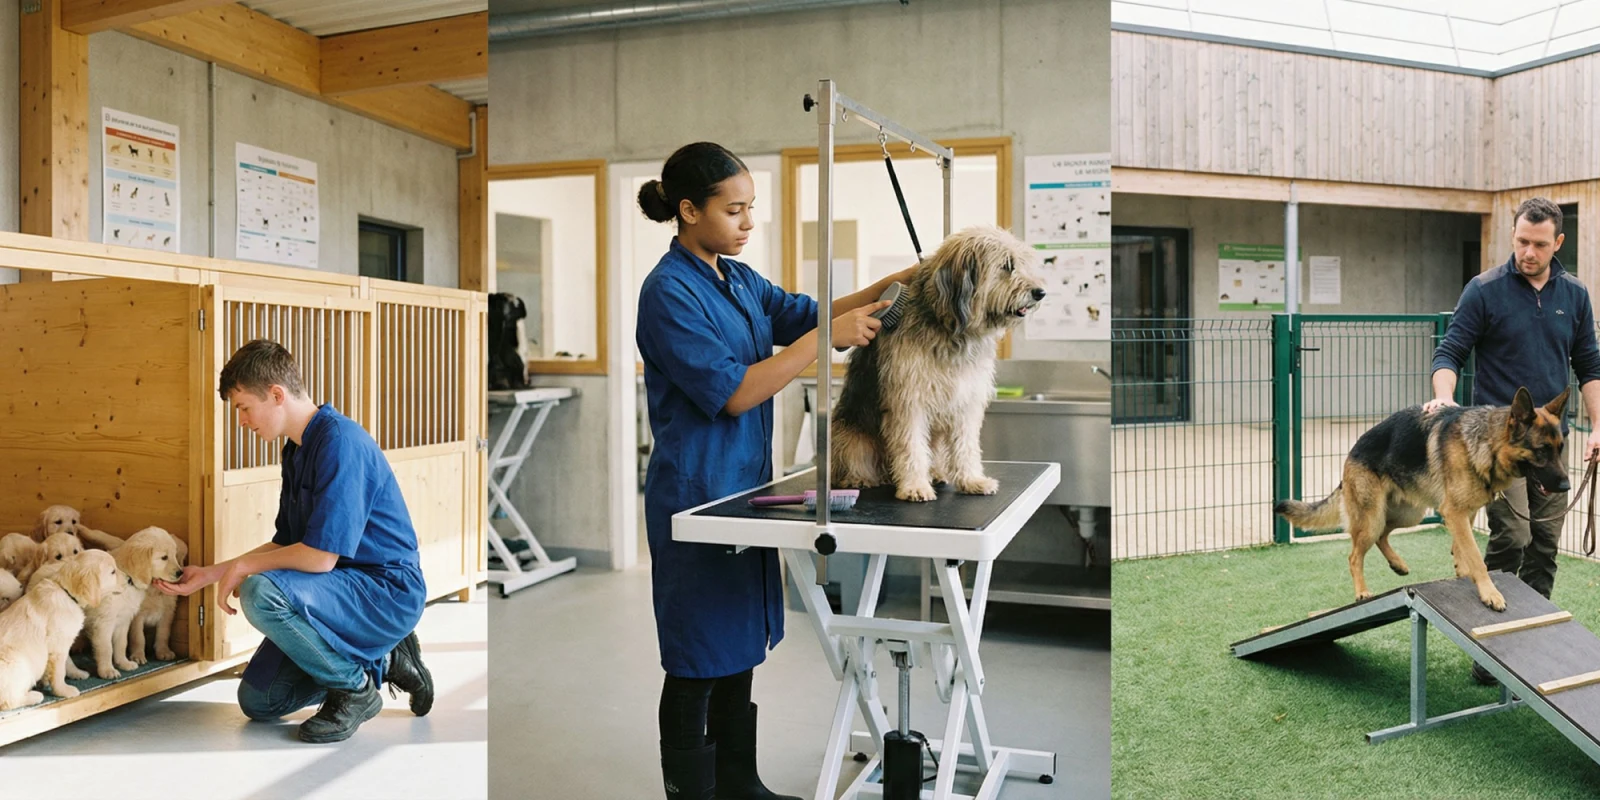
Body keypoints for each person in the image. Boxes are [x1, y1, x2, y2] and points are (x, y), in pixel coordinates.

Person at [636, 141, 913, 799]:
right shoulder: (668, 292)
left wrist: (911, 279)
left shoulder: (738, 280)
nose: (748, 222)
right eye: (734, 210)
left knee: (736, 647)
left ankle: (739, 782)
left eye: (751, 208)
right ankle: (692, 792)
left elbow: (816, 312)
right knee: (697, 657)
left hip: (741, 490)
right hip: (696, 495)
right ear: (688, 209)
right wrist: (825, 340)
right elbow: (733, 391)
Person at [157, 339, 435, 742]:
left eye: (243, 407)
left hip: (384, 593)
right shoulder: (296, 450)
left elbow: (320, 558)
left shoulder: (341, 442)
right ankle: (388, 656)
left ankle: (356, 691)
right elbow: (285, 544)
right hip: (334, 593)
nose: (242, 421)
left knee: (260, 592)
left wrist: (242, 569)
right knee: (261, 701)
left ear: (276, 395)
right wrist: (212, 573)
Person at [1427, 197, 1600, 684]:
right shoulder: (1485, 290)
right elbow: (1450, 351)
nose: (1528, 251)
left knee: (1544, 545)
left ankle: (1533, 647)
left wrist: (1598, 426)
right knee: (1513, 537)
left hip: (1551, 445)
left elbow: (1590, 365)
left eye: (1539, 244)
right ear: (1514, 234)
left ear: (1557, 243)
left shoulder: (1575, 295)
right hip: (1499, 449)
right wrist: (1443, 398)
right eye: (1522, 240)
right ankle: (1492, 655)